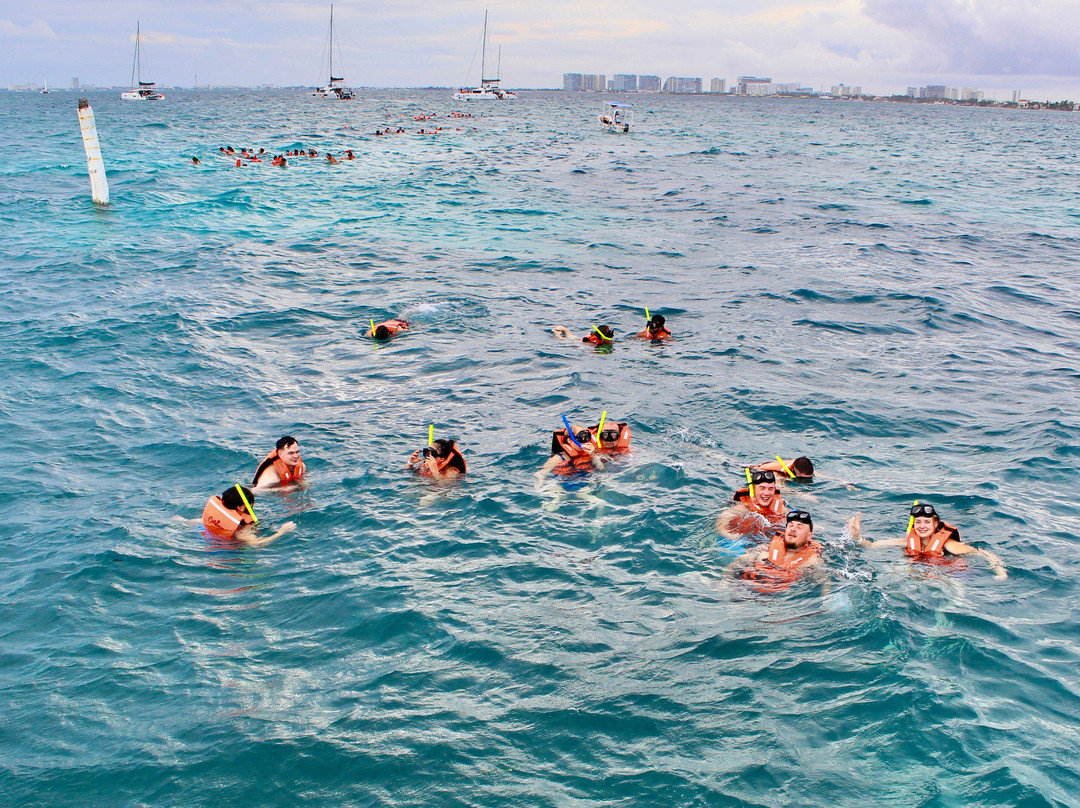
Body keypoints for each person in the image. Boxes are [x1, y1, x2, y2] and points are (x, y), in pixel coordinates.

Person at [848, 504, 1007, 578]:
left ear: (935, 524)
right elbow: (870, 545)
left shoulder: (950, 545)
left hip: (949, 575)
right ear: (913, 525)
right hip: (923, 572)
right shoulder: (907, 541)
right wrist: (857, 536)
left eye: (926, 522)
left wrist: (1000, 571)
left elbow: (984, 553)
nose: (922, 526)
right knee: (890, 572)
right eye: (918, 522)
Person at [735, 509, 823, 591]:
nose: (793, 529)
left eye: (799, 527)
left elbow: (823, 583)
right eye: (790, 525)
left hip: (775, 598)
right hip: (741, 587)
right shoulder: (764, 549)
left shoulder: (812, 561)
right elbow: (736, 565)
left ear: (809, 536)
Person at [201, 484, 296, 545]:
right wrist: (282, 532)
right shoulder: (242, 529)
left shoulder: (218, 514)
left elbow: (198, 523)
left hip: (205, 537)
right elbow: (256, 544)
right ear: (241, 507)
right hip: (225, 553)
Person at [716, 469, 787, 539]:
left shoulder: (781, 508)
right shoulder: (743, 507)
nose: (766, 493)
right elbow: (722, 521)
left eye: (770, 489)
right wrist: (728, 535)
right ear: (753, 489)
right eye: (762, 488)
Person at [536, 421, 604, 482]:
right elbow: (541, 472)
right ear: (570, 441)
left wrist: (594, 456)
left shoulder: (591, 454)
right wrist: (540, 480)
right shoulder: (560, 457)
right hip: (562, 481)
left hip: (584, 479)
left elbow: (601, 468)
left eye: (585, 440)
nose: (583, 443)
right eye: (579, 440)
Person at [751, 456, 815, 481]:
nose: (805, 482)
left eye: (809, 478)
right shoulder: (779, 473)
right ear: (793, 470)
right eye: (801, 478)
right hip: (757, 468)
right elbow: (780, 487)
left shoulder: (805, 467)